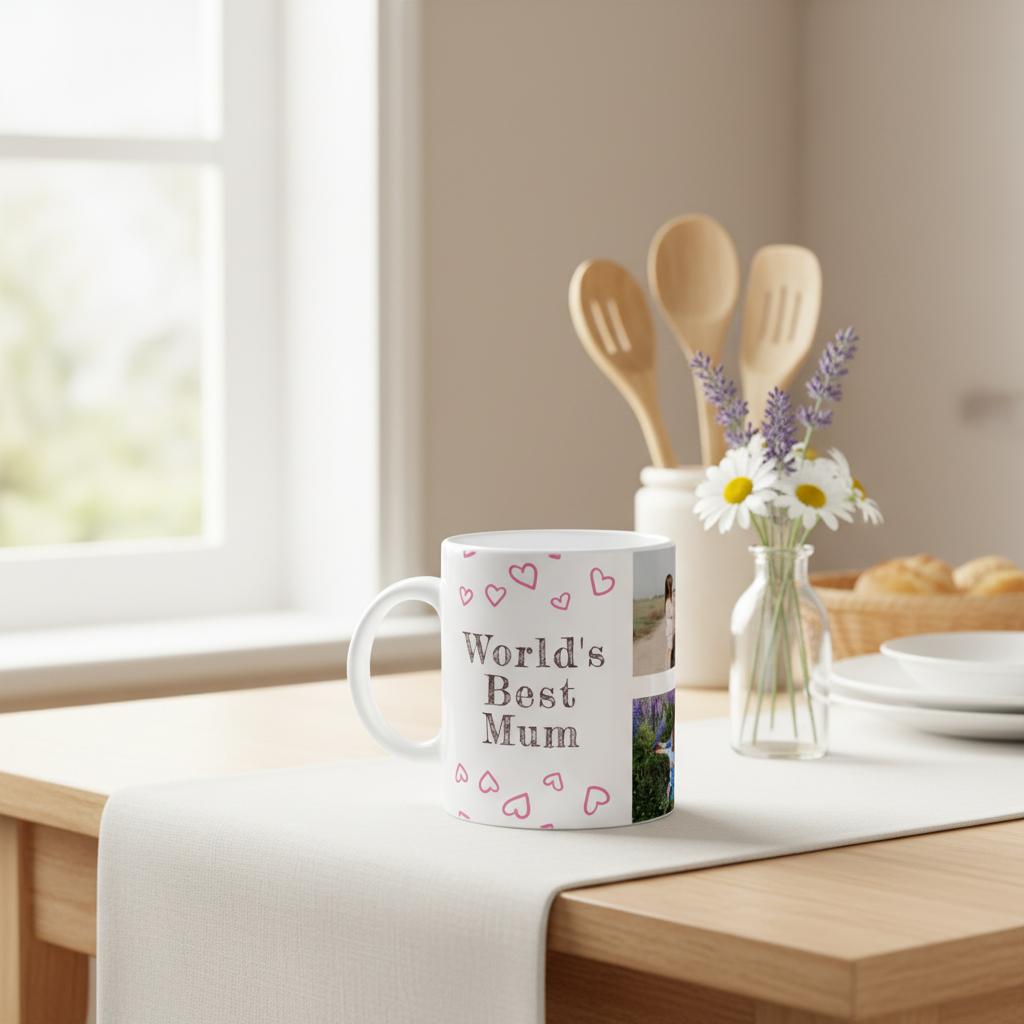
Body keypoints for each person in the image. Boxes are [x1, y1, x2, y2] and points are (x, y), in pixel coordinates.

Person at [664, 573, 675, 669]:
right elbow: (668, 615)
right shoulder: (668, 600)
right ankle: (666, 669)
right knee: (669, 650)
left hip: (671, 627)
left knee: (669, 650)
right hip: (670, 627)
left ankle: (667, 668)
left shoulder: (671, 598)